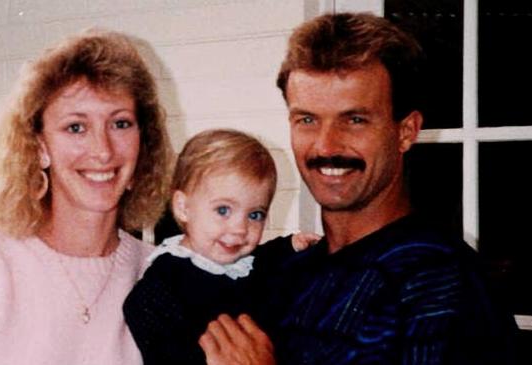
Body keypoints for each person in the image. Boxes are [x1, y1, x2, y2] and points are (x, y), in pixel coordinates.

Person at [199, 12, 518, 365]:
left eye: (354, 120)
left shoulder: (441, 284)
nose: (325, 146)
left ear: (406, 131)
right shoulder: (284, 273)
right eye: (307, 120)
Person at [0, 29, 172, 364]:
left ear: (143, 140)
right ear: (40, 148)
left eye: (120, 124)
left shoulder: (162, 275)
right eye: (76, 127)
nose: (102, 150)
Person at [123, 129, 319, 365]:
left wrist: (290, 245)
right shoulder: (166, 280)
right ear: (183, 208)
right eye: (223, 210)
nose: (240, 228)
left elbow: (265, 259)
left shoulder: (242, 262)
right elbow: (142, 316)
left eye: (255, 214)